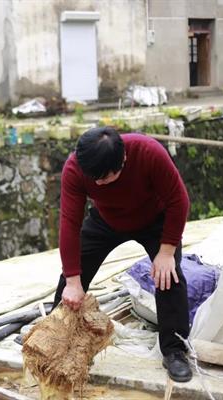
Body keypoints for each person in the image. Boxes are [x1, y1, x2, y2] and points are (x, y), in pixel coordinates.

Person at [54, 127, 192, 382]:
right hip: (106, 218)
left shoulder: (148, 152)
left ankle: (175, 350)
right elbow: (69, 223)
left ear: (124, 159)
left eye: (105, 178)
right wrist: (73, 280)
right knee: (73, 272)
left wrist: (167, 250)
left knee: (168, 276)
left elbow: (179, 200)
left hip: (154, 219)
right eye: (94, 178)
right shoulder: (75, 168)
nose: (98, 184)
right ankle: (54, 334)